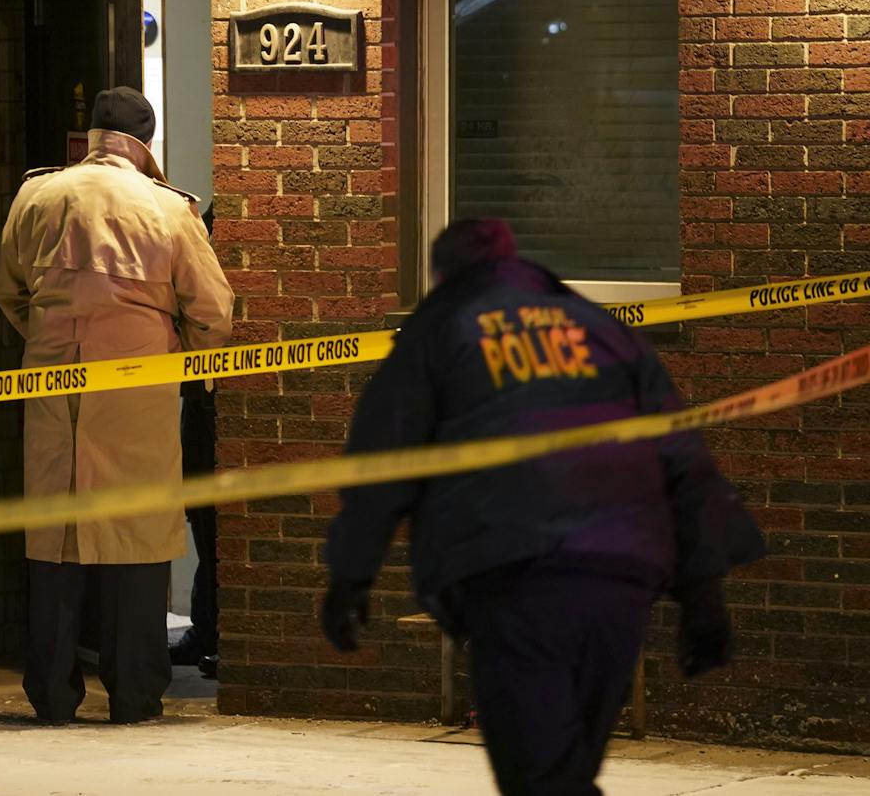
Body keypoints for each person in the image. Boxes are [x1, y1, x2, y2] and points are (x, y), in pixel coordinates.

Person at [322, 218, 765, 796]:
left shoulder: (441, 328)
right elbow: (682, 455)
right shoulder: (601, 328)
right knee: (567, 771)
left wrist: (351, 577)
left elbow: (382, 462)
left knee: (541, 779)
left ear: (444, 276)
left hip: (515, 573)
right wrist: (704, 592)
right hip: (622, 573)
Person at [0, 86, 233, 725]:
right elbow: (213, 313)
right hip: (139, 395)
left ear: (92, 137)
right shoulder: (168, 210)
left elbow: (10, 293)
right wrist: (175, 357)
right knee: (135, 542)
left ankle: (51, 693)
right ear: (144, 145)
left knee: (55, 537)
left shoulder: (36, 196)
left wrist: (52, 341)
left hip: (51, 389)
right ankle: (133, 695)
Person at [170, 210, 220, 680]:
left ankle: (214, 634)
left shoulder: (203, 225)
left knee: (217, 526)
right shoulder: (199, 224)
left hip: (215, 398)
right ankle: (208, 632)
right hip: (202, 397)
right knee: (207, 523)